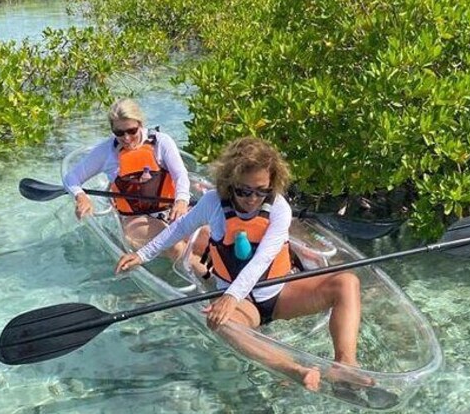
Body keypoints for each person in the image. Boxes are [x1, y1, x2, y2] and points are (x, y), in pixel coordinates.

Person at [115, 137, 372, 391]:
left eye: (262, 191)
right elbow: (180, 227)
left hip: (279, 293)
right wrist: (143, 255)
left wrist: (230, 296)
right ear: (230, 183)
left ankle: (345, 365)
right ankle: (294, 370)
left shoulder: (279, 208)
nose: (252, 198)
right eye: (244, 190)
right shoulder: (213, 202)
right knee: (221, 323)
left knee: (346, 282)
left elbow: (264, 257)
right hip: (244, 305)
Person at [62, 98, 192, 259]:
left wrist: (181, 201)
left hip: (169, 210)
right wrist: (81, 197)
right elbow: (71, 178)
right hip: (135, 219)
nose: (127, 138)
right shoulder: (105, 152)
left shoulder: (161, 142)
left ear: (140, 124)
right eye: (119, 133)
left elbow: (181, 175)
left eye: (131, 131)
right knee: (177, 247)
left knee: (208, 239)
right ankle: (215, 283)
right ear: (112, 130)